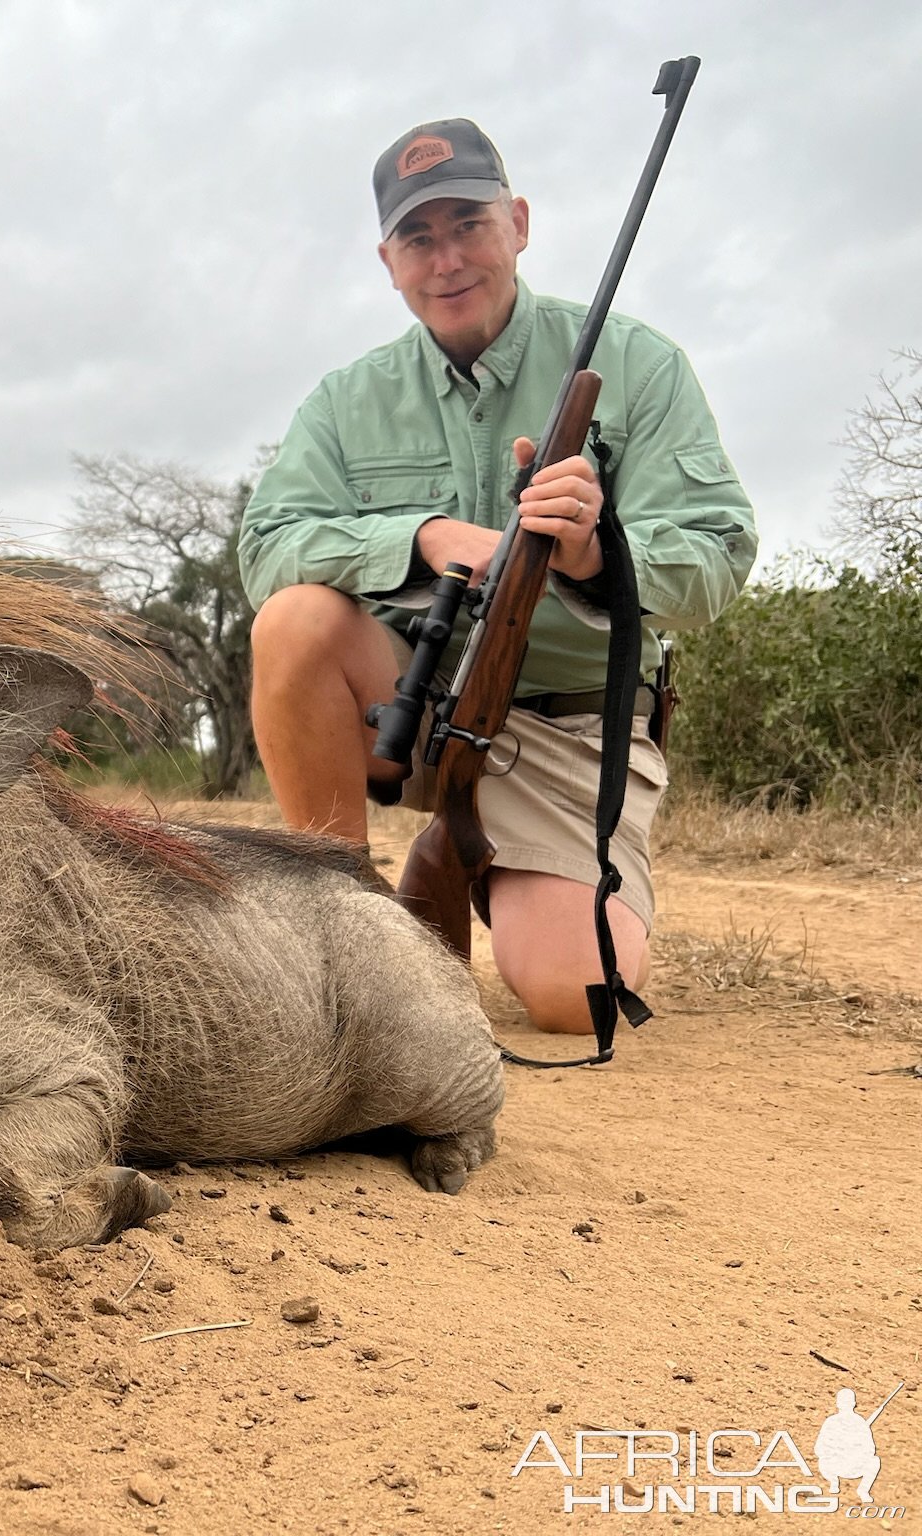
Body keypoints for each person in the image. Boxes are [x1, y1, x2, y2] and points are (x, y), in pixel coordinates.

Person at [238, 118, 757, 1034]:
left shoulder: (640, 364)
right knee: (293, 621)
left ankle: (464, 848)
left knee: (574, 996)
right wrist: (424, 535)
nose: (447, 260)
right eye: (418, 238)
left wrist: (599, 554)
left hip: (574, 725)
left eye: (469, 225)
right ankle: (343, 928)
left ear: (518, 221)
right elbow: (267, 547)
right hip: (415, 706)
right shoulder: (343, 400)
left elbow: (716, 560)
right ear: (388, 261)